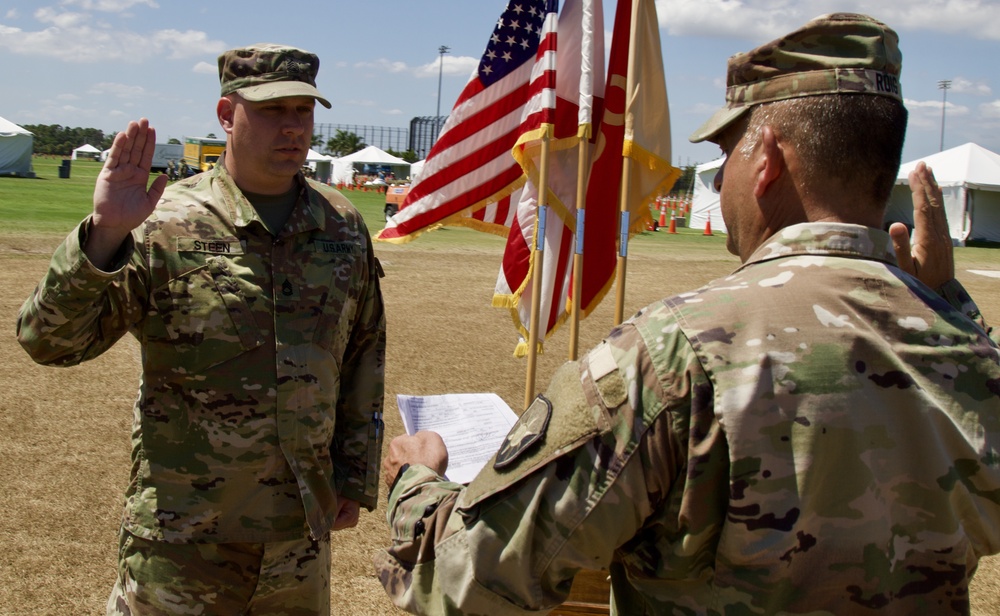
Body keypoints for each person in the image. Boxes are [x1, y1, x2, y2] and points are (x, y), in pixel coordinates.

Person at [374, 14, 1000, 615]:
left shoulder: (675, 353)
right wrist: (950, 311)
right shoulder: (965, 348)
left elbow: (466, 576)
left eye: (728, 151)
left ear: (767, 158)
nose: (723, 177)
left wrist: (416, 482)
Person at [17, 43, 386, 615]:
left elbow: (364, 351)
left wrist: (354, 474)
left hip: (298, 539)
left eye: (303, 110)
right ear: (226, 115)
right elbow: (49, 343)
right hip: (182, 538)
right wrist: (106, 233)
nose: (293, 126)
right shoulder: (164, 223)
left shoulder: (340, 224)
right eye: (272, 109)